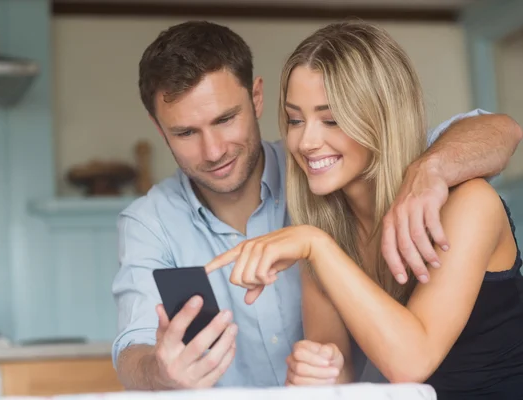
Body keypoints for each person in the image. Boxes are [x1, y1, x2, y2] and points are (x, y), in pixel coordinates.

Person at [112, 20, 522, 390]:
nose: (306, 142)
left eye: (331, 119)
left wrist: (429, 171)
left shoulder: (459, 200)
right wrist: (317, 371)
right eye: (294, 120)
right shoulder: (322, 218)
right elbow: (336, 372)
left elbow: (409, 362)